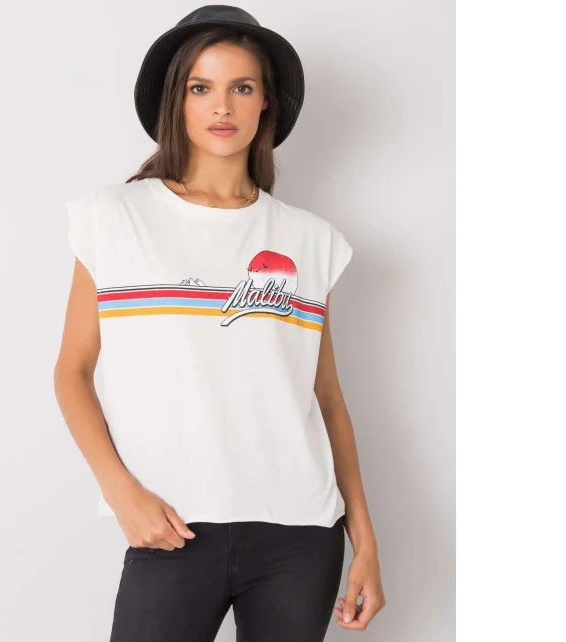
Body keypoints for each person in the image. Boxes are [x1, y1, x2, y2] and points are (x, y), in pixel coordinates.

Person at [54, 5, 385, 641]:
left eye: (243, 87)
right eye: (200, 87)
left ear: (267, 103)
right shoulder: (114, 219)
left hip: (300, 535)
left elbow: (327, 400)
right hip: (169, 525)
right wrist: (121, 492)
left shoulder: (309, 240)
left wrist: (365, 542)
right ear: (175, 102)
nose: (222, 106)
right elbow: (72, 372)